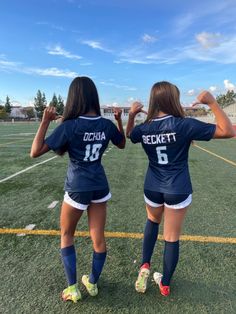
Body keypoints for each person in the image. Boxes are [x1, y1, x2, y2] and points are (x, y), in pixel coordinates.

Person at [126, 81, 235, 297]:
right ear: (172, 100)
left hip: (152, 187)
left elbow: (130, 135)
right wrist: (212, 102)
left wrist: (131, 116)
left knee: (152, 222)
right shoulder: (184, 124)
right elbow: (228, 131)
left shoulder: (145, 127)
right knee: (171, 237)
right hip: (177, 187)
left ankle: (145, 266)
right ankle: (165, 284)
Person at [31, 76, 125, 303]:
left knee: (66, 235)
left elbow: (35, 151)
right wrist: (119, 120)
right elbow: (121, 143)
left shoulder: (70, 126)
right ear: (94, 96)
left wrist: (44, 121)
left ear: (73, 98)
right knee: (98, 239)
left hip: (77, 188)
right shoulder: (105, 124)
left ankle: (73, 288)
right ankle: (92, 283)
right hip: (100, 187)